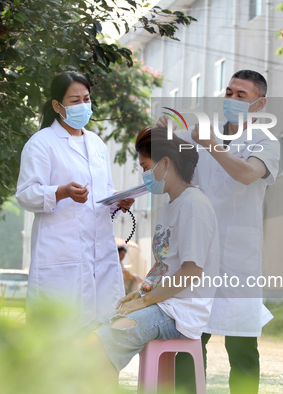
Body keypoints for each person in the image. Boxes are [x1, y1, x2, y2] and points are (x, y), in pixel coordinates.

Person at [159, 70, 280, 393]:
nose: (232, 99)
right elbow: (167, 161)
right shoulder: (200, 134)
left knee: (241, 349)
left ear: (259, 103)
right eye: (229, 92)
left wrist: (212, 146)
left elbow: (247, 174)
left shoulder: (264, 141)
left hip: (239, 259)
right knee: (190, 338)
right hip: (198, 254)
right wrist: (163, 136)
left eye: (241, 95)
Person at [92, 126, 220, 378]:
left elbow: (191, 272)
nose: (144, 174)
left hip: (179, 312)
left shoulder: (194, 205)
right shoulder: (172, 205)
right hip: (162, 303)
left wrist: (144, 301)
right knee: (90, 331)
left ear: (165, 162)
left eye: (145, 166)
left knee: (99, 344)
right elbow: (164, 266)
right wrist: (139, 294)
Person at [15, 71, 133, 322]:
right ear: (57, 106)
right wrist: (62, 191)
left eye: (87, 99)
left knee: (99, 336)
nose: (83, 106)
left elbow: (102, 194)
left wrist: (117, 201)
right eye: (74, 100)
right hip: (61, 257)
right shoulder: (42, 143)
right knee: (59, 336)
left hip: (99, 255)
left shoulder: (97, 144)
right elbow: (26, 195)